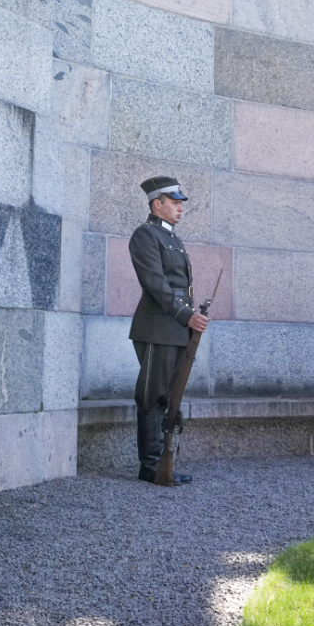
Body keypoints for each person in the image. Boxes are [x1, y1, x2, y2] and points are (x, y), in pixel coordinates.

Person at [129, 175, 210, 484]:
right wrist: (186, 316)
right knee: (152, 396)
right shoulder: (145, 235)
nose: (180, 208)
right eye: (174, 203)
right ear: (156, 204)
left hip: (176, 328)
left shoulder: (172, 238)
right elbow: (156, 284)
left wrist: (188, 319)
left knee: (169, 397)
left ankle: (165, 463)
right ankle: (150, 465)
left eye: (180, 203)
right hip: (158, 328)